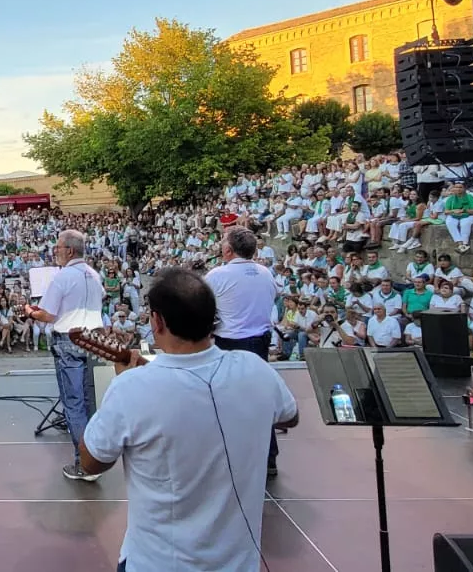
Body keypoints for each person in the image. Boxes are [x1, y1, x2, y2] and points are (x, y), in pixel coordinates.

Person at [79, 268, 299, 571]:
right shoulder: (256, 369)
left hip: (157, 563)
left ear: (157, 321)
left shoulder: (132, 388)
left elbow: (92, 462)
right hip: (239, 563)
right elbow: (290, 416)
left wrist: (124, 388)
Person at [23, 229, 105, 482]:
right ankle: (97, 458)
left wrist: (30, 311)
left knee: (74, 404)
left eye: (57, 247)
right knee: (90, 403)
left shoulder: (63, 277)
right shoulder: (93, 274)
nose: (54, 251)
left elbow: (48, 314)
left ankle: (85, 465)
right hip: (92, 340)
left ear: (69, 250)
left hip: (69, 341)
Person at [203, 225, 283, 477]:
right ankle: (268, 457)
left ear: (227, 250)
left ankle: (233, 457)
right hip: (260, 342)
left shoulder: (218, 275)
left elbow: (203, 306)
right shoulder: (265, 272)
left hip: (230, 342)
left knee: (227, 401)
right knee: (260, 397)